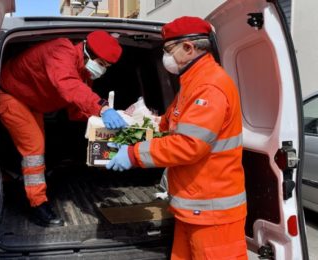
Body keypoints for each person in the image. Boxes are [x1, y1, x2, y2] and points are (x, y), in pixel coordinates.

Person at [106, 16, 247, 259]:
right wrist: (131, 133)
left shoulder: (209, 87)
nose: (166, 58)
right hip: (192, 207)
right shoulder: (192, 82)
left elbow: (189, 145)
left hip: (213, 213)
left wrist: (133, 153)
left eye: (169, 50)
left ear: (189, 48)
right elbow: (168, 123)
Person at [0, 30, 127, 227]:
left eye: (106, 67)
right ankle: (37, 206)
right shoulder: (61, 50)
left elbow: (76, 109)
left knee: (36, 149)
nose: (102, 69)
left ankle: (17, 180)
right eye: (101, 63)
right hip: (11, 95)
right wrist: (102, 108)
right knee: (34, 148)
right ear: (86, 51)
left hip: (32, 103)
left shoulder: (84, 72)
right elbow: (68, 85)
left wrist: (115, 117)